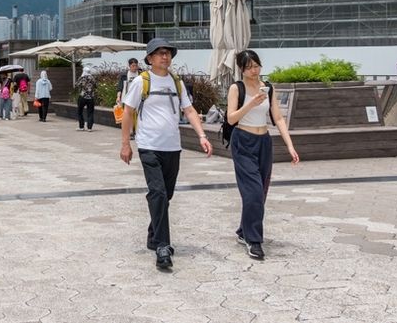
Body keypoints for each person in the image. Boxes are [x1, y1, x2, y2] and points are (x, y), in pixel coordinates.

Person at [119, 38, 212, 270]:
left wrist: (202, 135)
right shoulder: (141, 81)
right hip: (149, 146)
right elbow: (128, 112)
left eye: (168, 53)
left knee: (165, 194)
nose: (165, 56)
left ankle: (153, 235)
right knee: (158, 193)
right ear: (150, 58)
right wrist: (125, 144)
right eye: (160, 53)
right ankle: (162, 246)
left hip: (173, 147)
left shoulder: (176, 82)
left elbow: (189, 110)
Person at [226, 50, 299, 261]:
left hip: (264, 142)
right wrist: (251, 103)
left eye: (256, 66)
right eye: (249, 67)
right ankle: (254, 240)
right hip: (243, 141)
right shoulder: (236, 88)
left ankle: (244, 231)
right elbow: (231, 118)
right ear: (241, 69)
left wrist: (290, 145)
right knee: (253, 192)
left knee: (261, 191)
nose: (254, 71)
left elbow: (278, 118)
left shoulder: (268, 88)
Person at [75, 67, 97, 131]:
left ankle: (81, 127)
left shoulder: (82, 78)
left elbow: (76, 85)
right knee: (90, 112)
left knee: (80, 111)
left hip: (83, 97)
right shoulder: (93, 78)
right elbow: (96, 86)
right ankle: (89, 128)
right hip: (91, 97)